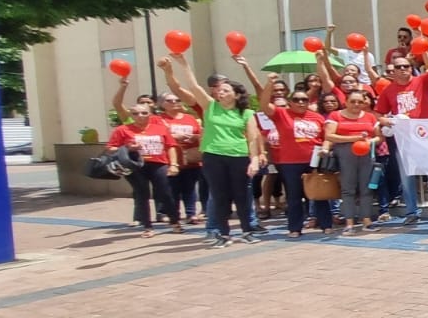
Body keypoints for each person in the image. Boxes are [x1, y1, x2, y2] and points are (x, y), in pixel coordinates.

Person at [160, 53, 261, 247]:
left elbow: (253, 138)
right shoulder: (210, 106)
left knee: (241, 195)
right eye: (219, 90)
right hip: (213, 157)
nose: (220, 93)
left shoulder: (247, 113)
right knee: (220, 196)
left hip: (238, 157)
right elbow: (193, 87)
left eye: (225, 90)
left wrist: (254, 159)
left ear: (236, 94)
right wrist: (184, 64)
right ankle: (223, 234)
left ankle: (247, 231)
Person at [375, 50, 428, 225]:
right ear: (392, 71)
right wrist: (386, 121)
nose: (403, 69)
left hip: (426, 137)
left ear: (411, 68)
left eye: (406, 66)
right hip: (404, 140)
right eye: (398, 67)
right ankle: (412, 212)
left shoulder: (422, 81)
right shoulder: (388, 90)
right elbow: (378, 113)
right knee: (406, 177)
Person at [264, 86, 331, 239]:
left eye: (304, 100)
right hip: (290, 162)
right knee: (294, 196)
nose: (301, 102)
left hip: (314, 160)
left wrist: (325, 148)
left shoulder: (317, 117)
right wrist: (268, 84)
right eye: (296, 100)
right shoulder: (282, 114)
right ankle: (295, 228)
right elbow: (264, 105)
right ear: (290, 102)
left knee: (319, 194)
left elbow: (326, 137)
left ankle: (326, 224)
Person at [105, 96, 178, 236]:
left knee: (165, 192)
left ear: (150, 114)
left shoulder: (160, 128)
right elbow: (110, 148)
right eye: (136, 113)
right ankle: (147, 227)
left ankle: (175, 222)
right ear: (131, 115)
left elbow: (171, 146)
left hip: (158, 163)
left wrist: (174, 164)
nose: (140, 116)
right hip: (135, 165)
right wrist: (128, 147)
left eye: (144, 113)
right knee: (142, 194)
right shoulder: (123, 130)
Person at [324, 89, 383, 235]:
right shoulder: (336, 115)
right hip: (345, 153)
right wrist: (354, 139)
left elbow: (379, 137)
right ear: (346, 102)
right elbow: (329, 136)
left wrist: (370, 141)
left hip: (366, 153)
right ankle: (349, 223)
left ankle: (367, 221)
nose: (356, 104)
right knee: (348, 188)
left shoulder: (370, 117)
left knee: (367, 187)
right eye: (353, 101)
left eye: (360, 102)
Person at [157, 92, 203, 227]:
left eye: (177, 100)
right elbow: (157, 135)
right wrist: (174, 136)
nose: (174, 102)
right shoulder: (159, 119)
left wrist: (194, 137)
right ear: (162, 104)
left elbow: (199, 133)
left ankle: (191, 214)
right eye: (169, 100)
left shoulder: (189, 118)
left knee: (190, 187)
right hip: (170, 159)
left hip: (190, 157)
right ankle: (174, 215)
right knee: (172, 188)